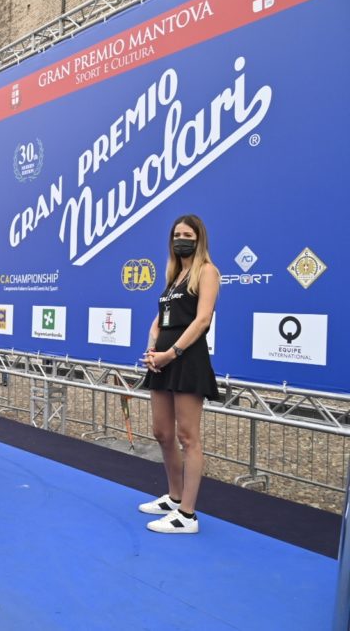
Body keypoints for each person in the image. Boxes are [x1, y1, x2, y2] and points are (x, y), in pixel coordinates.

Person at [139, 214, 221, 534]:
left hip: (187, 360)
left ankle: (187, 515)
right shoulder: (174, 276)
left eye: (187, 235)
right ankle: (174, 498)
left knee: (188, 437)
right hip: (161, 362)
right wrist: (152, 351)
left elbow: (202, 321)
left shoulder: (207, 271)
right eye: (177, 235)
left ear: (199, 239)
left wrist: (171, 353)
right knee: (162, 432)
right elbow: (160, 319)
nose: (181, 240)